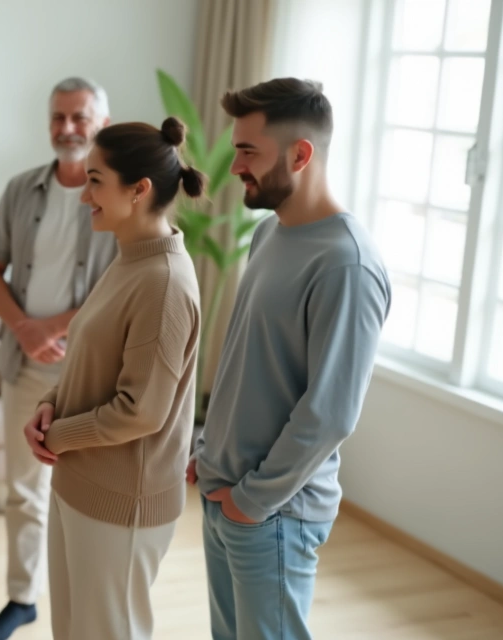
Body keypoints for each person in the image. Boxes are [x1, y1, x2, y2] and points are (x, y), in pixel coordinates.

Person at [188, 78, 391, 640]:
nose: (234, 168)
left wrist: (251, 502)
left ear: (300, 154)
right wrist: (209, 453)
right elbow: (246, 364)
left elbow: (329, 413)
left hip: (273, 512)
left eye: (248, 151)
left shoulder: (346, 265)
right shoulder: (268, 233)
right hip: (225, 492)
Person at [23, 118, 204, 639]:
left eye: (95, 180)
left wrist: (58, 435)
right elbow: (93, 355)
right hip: (80, 482)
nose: (85, 196)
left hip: (123, 502)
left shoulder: (163, 283)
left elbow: (141, 410)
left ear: (139, 189)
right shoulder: (128, 256)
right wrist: (51, 403)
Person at [0, 76, 118, 640]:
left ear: (101, 123)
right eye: (58, 117)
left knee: (88, 494)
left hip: (91, 368)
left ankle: (83, 603)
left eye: (79, 118)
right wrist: (23, 329)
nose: (67, 128)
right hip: (25, 363)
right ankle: (22, 598)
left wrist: (51, 328)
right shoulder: (20, 189)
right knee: (24, 489)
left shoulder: (117, 192)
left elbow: (119, 285)